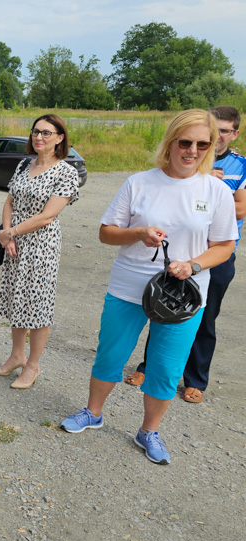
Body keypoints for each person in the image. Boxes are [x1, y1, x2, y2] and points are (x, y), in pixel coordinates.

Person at [60, 109, 238, 465]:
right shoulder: (139, 182)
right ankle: (93, 412)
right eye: (185, 142)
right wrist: (138, 234)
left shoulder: (216, 190)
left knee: (167, 368)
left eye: (202, 144)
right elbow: (106, 233)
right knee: (111, 354)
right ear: (170, 142)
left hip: (184, 297)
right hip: (128, 287)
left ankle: (149, 431)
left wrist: (193, 264)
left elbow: (225, 245)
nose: (192, 151)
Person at [124, 106, 246, 403]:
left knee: (204, 317)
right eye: (212, 130)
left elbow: (241, 208)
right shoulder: (184, 162)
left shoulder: (239, 166)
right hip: (179, 252)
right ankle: (148, 366)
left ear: (233, 134)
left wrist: (212, 188)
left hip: (213, 254)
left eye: (223, 131)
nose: (212, 140)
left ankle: (195, 380)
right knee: (163, 308)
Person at [0, 114, 79, 389]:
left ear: (60, 138)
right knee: (18, 298)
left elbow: (47, 217)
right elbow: (10, 201)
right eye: (35, 132)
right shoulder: (23, 165)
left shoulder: (66, 172)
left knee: (37, 304)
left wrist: (11, 233)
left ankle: (33, 365)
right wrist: (7, 234)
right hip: (14, 241)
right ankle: (17, 356)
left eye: (47, 133)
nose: (39, 137)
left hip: (41, 245)